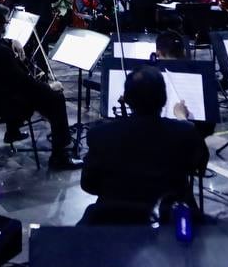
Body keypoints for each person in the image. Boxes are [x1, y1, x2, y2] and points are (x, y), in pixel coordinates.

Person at [80, 65, 209, 224]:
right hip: (166, 219)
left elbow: (89, 185)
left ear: (126, 99)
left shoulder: (100, 134)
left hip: (112, 218)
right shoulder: (183, 132)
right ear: (163, 99)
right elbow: (200, 165)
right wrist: (183, 119)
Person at [0, 4, 81, 170]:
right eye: (6, 22)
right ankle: (60, 156)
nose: (7, 25)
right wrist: (49, 86)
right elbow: (24, 83)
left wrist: (12, 41)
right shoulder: (1, 52)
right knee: (56, 99)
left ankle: (13, 131)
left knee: (18, 88)